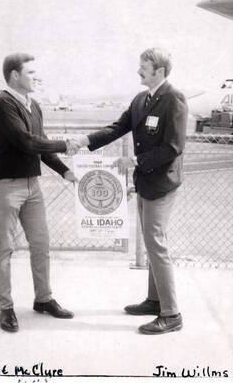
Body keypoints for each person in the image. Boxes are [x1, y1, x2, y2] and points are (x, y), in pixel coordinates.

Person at [70, 47, 188, 335]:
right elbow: (117, 128)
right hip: (146, 182)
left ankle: (171, 314)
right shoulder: (140, 100)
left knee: (156, 245)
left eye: (143, 67)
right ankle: (154, 300)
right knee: (151, 243)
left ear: (159, 71)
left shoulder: (174, 99)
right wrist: (85, 139)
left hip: (161, 184)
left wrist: (134, 160)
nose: (138, 71)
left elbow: (174, 147)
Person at [0, 53, 76, 332]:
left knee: (41, 244)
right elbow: (26, 142)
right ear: (14, 75)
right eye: (31, 72)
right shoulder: (3, 104)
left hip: (32, 187)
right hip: (6, 187)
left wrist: (65, 171)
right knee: (3, 248)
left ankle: (43, 299)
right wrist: (66, 144)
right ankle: (6, 307)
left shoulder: (34, 105)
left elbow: (41, 145)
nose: (37, 77)